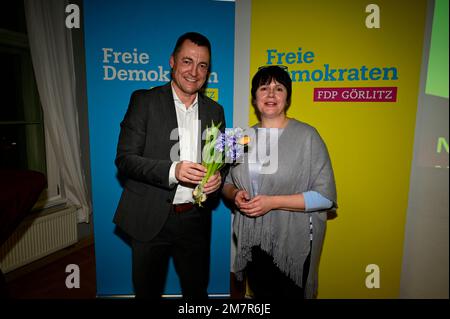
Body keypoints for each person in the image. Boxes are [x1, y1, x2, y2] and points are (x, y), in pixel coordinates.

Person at [113, 32, 225, 299]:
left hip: (195, 221)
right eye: (187, 61)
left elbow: (219, 159)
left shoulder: (215, 111)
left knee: (196, 293)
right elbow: (125, 159)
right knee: (147, 293)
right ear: (172, 62)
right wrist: (173, 171)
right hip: (150, 217)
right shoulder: (144, 101)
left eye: (203, 65)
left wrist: (218, 176)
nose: (194, 71)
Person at [222, 65, 337, 299]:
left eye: (279, 88)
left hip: (292, 244)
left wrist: (272, 202)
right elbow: (224, 182)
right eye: (264, 88)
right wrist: (235, 194)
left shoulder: (308, 136)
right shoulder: (238, 138)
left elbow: (325, 197)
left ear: (288, 97)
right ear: (255, 99)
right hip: (253, 242)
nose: (271, 94)